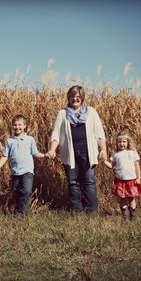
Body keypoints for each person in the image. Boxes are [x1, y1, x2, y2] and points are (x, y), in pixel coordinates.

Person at [46, 85, 107, 214]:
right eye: (73, 96)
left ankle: (92, 211)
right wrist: (52, 149)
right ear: (69, 98)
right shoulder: (63, 114)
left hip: (88, 153)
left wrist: (103, 150)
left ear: (82, 98)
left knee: (89, 181)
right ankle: (77, 211)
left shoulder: (91, 112)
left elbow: (99, 133)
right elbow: (56, 134)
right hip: (70, 154)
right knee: (73, 182)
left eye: (78, 96)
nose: (75, 99)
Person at [0, 115, 48, 215]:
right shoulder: (9, 141)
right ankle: (17, 211)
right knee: (16, 192)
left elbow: (35, 153)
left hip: (27, 171)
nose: (17, 127)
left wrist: (45, 155)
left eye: (19, 125)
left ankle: (23, 213)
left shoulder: (29, 139)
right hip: (15, 172)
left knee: (26, 191)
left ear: (25, 126)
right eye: (15, 125)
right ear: (12, 126)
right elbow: (5, 156)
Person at [104, 131, 141, 220]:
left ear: (128, 142)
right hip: (120, 180)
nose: (122, 144)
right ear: (117, 143)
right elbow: (112, 166)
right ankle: (125, 216)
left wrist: (139, 178)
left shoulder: (132, 153)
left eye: (124, 142)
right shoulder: (115, 154)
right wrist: (104, 161)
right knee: (122, 198)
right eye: (120, 142)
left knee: (132, 198)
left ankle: (133, 216)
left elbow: (137, 167)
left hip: (131, 180)